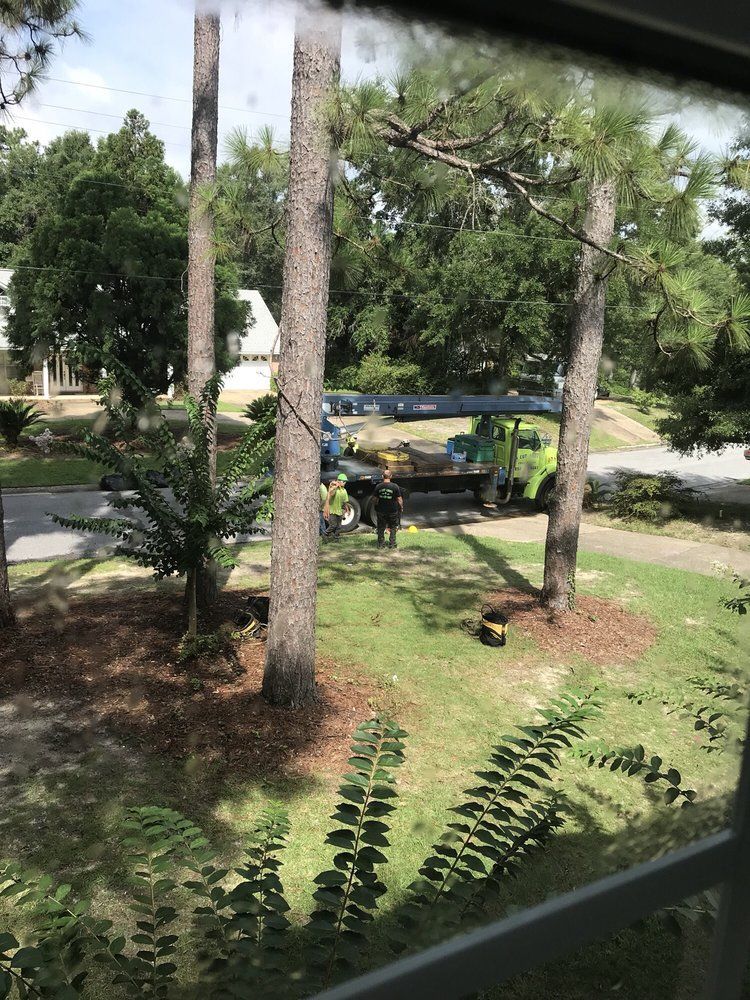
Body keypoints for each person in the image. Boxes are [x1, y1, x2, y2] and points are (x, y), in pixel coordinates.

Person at [373, 468, 403, 550]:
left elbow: (375, 499)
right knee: (393, 527)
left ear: (382, 476)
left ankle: (380, 545)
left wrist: (375, 506)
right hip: (392, 511)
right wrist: (401, 507)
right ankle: (392, 544)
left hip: (381, 510)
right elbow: (399, 499)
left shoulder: (378, 486)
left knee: (381, 527)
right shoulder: (395, 486)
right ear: (391, 476)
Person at [324, 473, 350, 542]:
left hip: (340, 511)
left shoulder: (344, 491)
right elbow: (331, 493)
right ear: (339, 481)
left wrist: (347, 509)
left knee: (339, 527)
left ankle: (336, 539)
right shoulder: (334, 489)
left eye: (345, 482)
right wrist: (335, 486)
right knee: (333, 525)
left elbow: (345, 501)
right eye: (343, 481)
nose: (345, 483)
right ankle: (325, 534)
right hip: (333, 510)